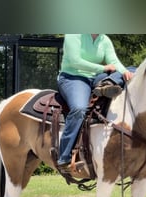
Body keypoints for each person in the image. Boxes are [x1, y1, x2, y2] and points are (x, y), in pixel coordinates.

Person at [56, 34, 134, 171]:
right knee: (79, 109)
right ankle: (64, 157)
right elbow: (75, 62)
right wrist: (103, 68)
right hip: (73, 78)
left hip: (96, 78)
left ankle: (108, 84)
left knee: (133, 69)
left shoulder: (104, 39)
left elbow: (114, 61)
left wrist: (125, 71)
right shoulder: (73, 35)